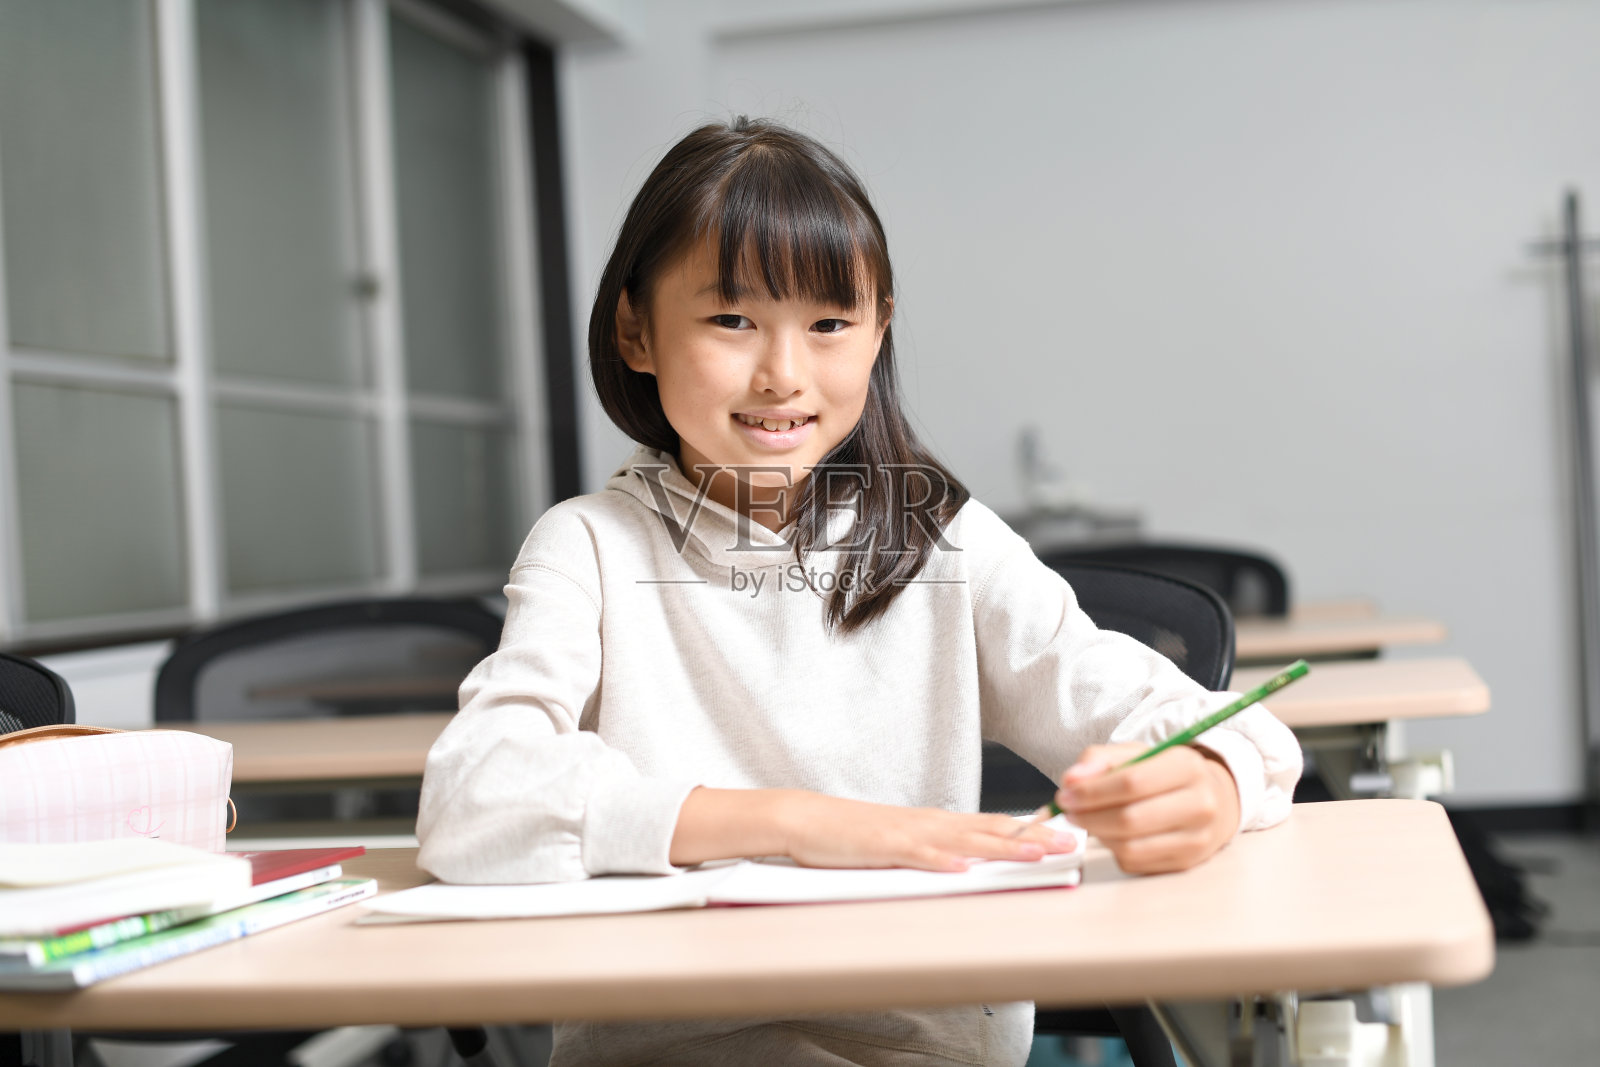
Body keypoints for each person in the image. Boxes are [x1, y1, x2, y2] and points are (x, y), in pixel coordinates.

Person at [416, 117, 1302, 1067]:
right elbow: (473, 796)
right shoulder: (590, 544)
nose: (783, 374)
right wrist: (805, 824)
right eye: (731, 320)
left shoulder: (941, 537)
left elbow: (1216, 720)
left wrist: (1213, 777)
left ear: (879, 329)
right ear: (635, 329)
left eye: (830, 324)